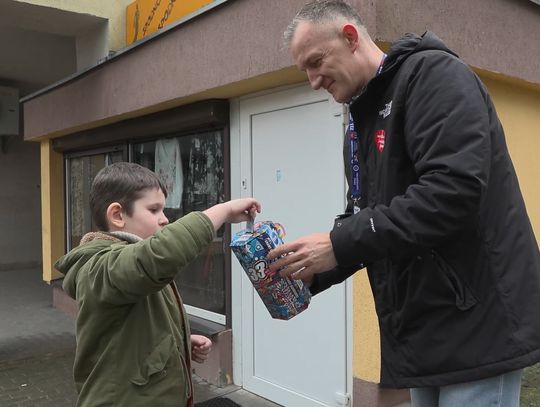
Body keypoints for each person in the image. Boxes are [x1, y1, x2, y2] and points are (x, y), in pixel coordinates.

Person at [268, 1, 540, 405]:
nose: (311, 80)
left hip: (478, 328)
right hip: (424, 330)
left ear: (350, 36)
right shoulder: (359, 121)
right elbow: (367, 215)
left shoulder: (435, 76)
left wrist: (337, 245)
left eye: (315, 61)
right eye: (304, 69)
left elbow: (451, 192)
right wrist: (311, 272)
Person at [55, 162, 261, 407]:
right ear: (118, 215)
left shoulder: (131, 260)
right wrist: (223, 211)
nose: (165, 220)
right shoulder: (98, 268)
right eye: (154, 210)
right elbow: (159, 256)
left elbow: (139, 324)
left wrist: (178, 341)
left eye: (163, 210)